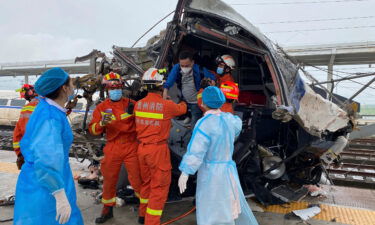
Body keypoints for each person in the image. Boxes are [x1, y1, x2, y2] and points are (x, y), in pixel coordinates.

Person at [178, 86, 259, 225]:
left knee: (211, 209)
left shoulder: (204, 124)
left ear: (203, 103)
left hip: (211, 174)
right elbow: (236, 131)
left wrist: (186, 172)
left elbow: (196, 151)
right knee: (227, 206)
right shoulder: (231, 120)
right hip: (228, 171)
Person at [14, 68, 83, 225]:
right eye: (71, 84)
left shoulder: (47, 107)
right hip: (47, 187)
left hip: (46, 180)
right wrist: (59, 195)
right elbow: (46, 158)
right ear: (64, 88)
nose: (73, 87)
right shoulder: (51, 117)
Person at [88, 72, 142, 223]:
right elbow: (93, 130)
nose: (115, 89)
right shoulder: (102, 107)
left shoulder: (132, 104)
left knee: (137, 180)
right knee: (109, 181)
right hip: (113, 146)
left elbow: (142, 125)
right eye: (111, 87)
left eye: (117, 86)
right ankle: (107, 211)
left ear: (122, 87)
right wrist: (101, 124)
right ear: (106, 89)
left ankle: (144, 213)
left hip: (132, 145)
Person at [135, 68, 187, 225]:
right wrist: (180, 99)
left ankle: (142, 216)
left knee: (147, 184)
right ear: (161, 86)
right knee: (159, 188)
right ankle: (152, 222)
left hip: (142, 149)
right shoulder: (166, 105)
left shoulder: (138, 105)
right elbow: (182, 109)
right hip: (157, 151)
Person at [163, 51, 215, 127]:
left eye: (187, 65)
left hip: (196, 102)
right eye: (182, 65)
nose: (184, 68)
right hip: (184, 101)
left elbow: (213, 78)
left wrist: (211, 82)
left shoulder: (199, 70)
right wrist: (165, 92)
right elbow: (170, 80)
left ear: (192, 62)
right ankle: (187, 116)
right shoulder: (177, 68)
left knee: (195, 124)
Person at [13, 84, 39, 170]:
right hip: (46, 151)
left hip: (30, 151)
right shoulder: (48, 104)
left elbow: (17, 133)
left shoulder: (25, 109)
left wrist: (19, 154)